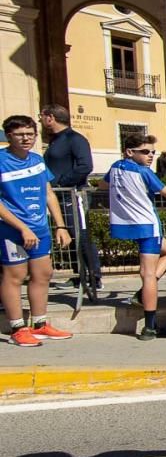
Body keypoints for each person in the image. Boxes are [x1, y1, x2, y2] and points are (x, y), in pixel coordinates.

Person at [100, 135, 166, 340]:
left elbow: (103, 186)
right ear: (130, 151)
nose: (150, 156)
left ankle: (143, 293)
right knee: (147, 275)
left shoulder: (115, 167)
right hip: (148, 226)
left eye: (153, 152)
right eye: (145, 152)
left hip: (126, 224)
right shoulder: (144, 172)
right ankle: (150, 326)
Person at [0, 115, 74, 346]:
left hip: (39, 228)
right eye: (20, 134)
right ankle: (17, 328)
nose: (26, 139)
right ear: (9, 136)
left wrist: (60, 225)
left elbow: (48, 193)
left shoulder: (36, 160)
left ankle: (40, 325)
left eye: (30, 134)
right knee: (15, 276)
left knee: (43, 274)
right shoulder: (1, 160)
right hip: (11, 230)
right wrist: (22, 228)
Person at [40, 103, 102, 291]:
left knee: (81, 235)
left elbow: (85, 166)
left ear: (50, 117)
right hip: (60, 196)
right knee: (71, 236)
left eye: (41, 116)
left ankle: (94, 277)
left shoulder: (75, 139)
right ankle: (78, 275)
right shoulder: (55, 141)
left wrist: (61, 184)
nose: (40, 121)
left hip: (74, 194)